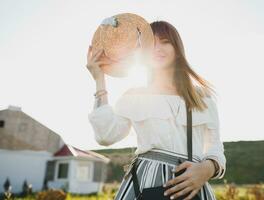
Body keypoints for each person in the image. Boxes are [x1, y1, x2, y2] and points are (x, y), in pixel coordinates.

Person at [86, 20, 226, 200]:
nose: (158, 48)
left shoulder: (202, 97)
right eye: (151, 43)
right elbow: (106, 135)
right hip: (145, 183)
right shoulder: (134, 95)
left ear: (177, 49)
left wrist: (208, 168)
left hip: (191, 185)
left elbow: (215, 146)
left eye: (165, 42)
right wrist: (100, 80)